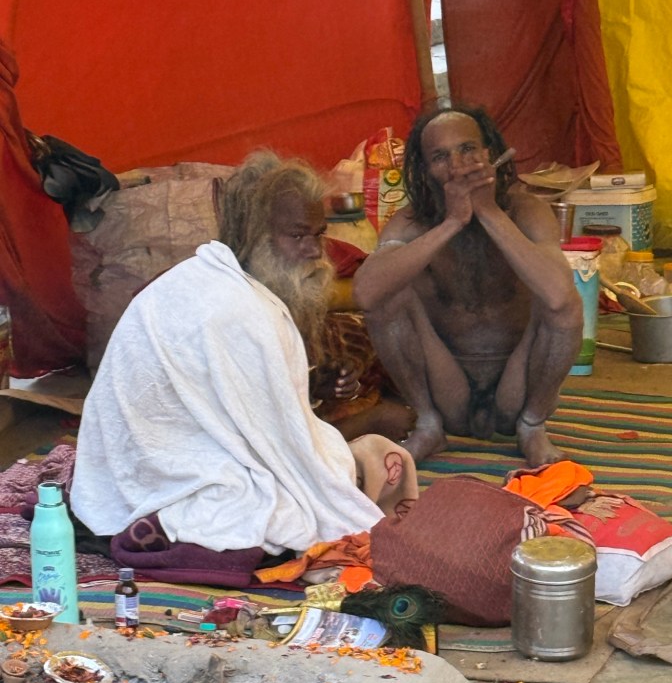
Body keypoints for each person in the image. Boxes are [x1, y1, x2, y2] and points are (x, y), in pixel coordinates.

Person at [70, 153, 417, 556]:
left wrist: (307, 388)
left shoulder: (208, 275)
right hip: (161, 476)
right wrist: (365, 425)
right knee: (307, 501)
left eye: (318, 234)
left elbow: (238, 409)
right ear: (255, 235)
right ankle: (166, 524)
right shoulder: (245, 311)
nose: (314, 251)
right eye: (297, 236)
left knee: (360, 458)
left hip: (118, 474)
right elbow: (283, 453)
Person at [353, 104, 584, 468]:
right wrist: (453, 221)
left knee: (565, 301)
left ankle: (533, 426)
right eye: (440, 157)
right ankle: (428, 425)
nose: (458, 166)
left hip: (518, 388)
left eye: (467, 150)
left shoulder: (526, 211)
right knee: (387, 293)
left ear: (490, 154)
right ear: (425, 171)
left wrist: (489, 212)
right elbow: (366, 294)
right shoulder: (412, 222)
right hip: (448, 391)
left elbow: (559, 296)